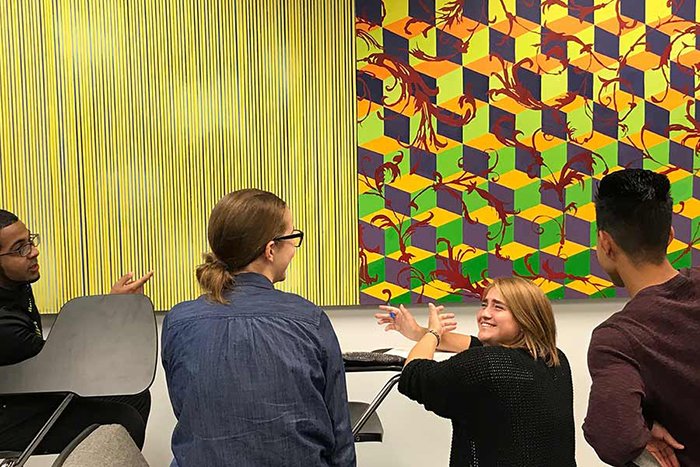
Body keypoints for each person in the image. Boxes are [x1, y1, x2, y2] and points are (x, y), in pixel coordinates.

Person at [162, 189, 355, 467]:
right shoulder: (309, 319)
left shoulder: (178, 322)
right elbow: (340, 438)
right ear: (271, 249)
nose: (294, 248)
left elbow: (190, 414)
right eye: (292, 237)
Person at [376, 277, 576, 467]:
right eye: (484, 304)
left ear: (526, 318)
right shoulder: (555, 359)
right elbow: (474, 344)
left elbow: (415, 374)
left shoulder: (487, 364)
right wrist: (417, 332)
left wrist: (433, 333)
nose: (485, 314)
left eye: (498, 307)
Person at [0, 209, 154, 453]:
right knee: (124, 420)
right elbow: (61, 364)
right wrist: (111, 309)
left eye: (30, 241)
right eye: (20, 248)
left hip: (27, 388)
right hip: (10, 410)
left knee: (134, 397)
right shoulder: (4, 325)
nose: (34, 252)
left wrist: (112, 306)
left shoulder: (17, 285)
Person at [584, 168, 699, 466]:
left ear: (606, 243)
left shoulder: (617, 339)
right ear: (670, 236)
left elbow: (613, 435)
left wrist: (643, 431)